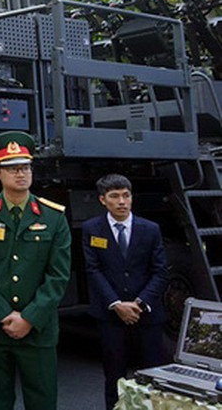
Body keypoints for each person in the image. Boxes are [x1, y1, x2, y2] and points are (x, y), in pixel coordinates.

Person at [0, 131, 71, 410]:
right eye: (12, 168)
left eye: (25, 166)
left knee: (42, 401)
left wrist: (29, 318)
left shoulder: (53, 217)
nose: (21, 174)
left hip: (38, 329)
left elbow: (58, 275)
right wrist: (3, 315)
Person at [82, 174, 167, 410]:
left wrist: (140, 303)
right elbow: (93, 269)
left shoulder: (150, 229)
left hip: (147, 314)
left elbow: (160, 271)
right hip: (111, 315)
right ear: (102, 200)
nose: (122, 201)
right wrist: (116, 303)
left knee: (153, 376)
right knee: (114, 376)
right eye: (115, 196)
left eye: (126, 195)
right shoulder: (92, 229)